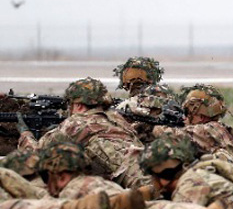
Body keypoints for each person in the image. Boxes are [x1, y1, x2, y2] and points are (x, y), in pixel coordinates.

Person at [16, 78, 148, 188]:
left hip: (134, 183)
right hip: (147, 168)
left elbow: (35, 155)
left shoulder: (76, 123)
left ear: (78, 105)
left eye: (70, 104)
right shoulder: (117, 118)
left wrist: (25, 134)